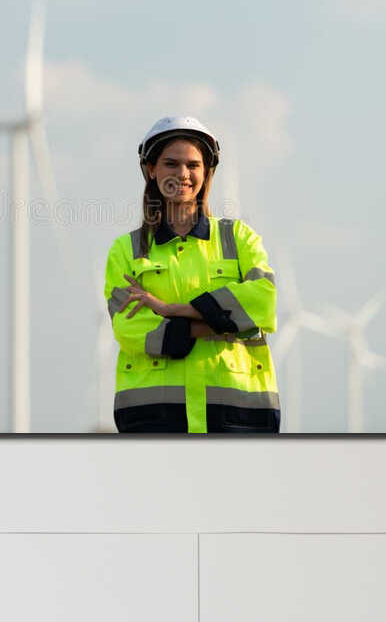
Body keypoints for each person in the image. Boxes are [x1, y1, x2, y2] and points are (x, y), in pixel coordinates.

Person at [102, 116, 280, 433]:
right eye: (171, 164)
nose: (183, 174)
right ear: (151, 170)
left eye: (193, 165)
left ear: (206, 172)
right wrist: (226, 324)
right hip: (153, 417)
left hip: (239, 414)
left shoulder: (240, 239)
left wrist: (174, 310)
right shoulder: (125, 251)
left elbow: (264, 303)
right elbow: (131, 328)